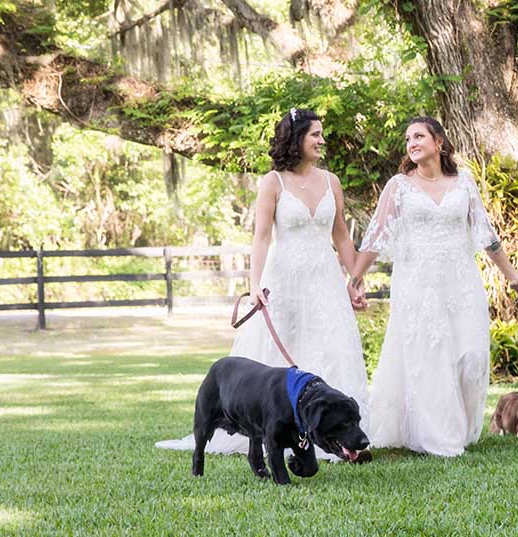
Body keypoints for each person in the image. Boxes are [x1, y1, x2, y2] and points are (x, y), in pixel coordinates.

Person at [157, 108, 370, 460]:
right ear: (296, 137)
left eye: (322, 134)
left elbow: (342, 237)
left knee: (333, 346)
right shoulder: (274, 182)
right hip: (284, 279)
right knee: (282, 352)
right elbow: (261, 237)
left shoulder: (331, 181)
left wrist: (356, 280)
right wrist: (254, 283)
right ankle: (281, 428)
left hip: (326, 281)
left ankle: (335, 435)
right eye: (315, 134)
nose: (321, 140)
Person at [349, 116, 518, 457]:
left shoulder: (464, 183)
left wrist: (512, 276)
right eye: (407, 139)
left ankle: (459, 426)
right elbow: (376, 237)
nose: (412, 143)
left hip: (461, 282)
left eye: (419, 136)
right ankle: (438, 435)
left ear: (439, 142)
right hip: (418, 284)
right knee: (430, 355)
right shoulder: (399, 186)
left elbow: (486, 235)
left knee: (470, 355)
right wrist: (356, 278)